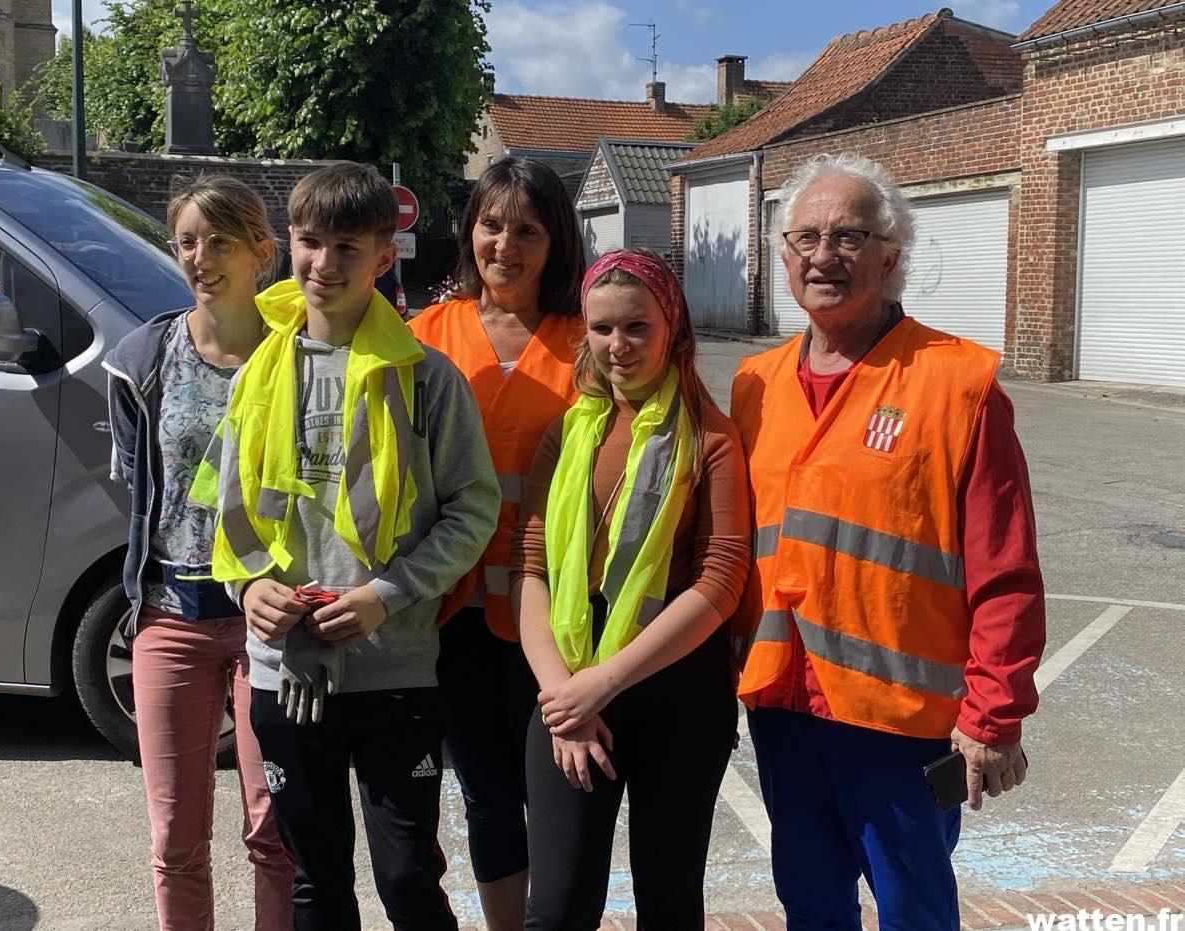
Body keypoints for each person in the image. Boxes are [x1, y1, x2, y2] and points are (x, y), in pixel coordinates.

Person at [730, 152, 1046, 930]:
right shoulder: (755, 385)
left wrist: (992, 716)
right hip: (783, 708)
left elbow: (1006, 570)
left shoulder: (958, 385)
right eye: (804, 238)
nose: (822, 256)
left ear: (891, 256)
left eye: (848, 236)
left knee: (916, 906)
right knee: (808, 899)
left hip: (911, 729)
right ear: (782, 257)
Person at [190, 161, 500, 930]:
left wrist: (382, 595)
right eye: (309, 242)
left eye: (347, 248)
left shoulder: (428, 378)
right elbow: (226, 514)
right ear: (288, 245)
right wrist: (249, 588)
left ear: (385, 257)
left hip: (396, 670)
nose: (324, 264)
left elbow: (472, 509)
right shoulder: (257, 376)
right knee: (316, 882)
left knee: (405, 878)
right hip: (285, 674)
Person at [512, 248, 752, 929]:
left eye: (637, 327)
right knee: (557, 908)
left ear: (672, 326)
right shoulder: (566, 433)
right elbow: (530, 565)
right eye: (602, 328)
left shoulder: (711, 439)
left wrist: (604, 684)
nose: (618, 346)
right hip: (568, 678)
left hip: (677, 688)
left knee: (669, 902)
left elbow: (721, 577)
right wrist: (565, 696)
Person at [103, 175, 293, 931]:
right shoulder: (141, 358)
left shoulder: (296, 359)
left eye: (220, 241)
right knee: (175, 838)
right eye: (187, 241)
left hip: (271, 626)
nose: (201, 257)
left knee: (274, 832)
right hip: (170, 615)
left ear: (261, 252)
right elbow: (142, 490)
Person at [408, 156, 584, 930]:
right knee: (484, 793)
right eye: (489, 223)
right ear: (467, 228)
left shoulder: (592, 339)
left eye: (526, 229)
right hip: (452, 613)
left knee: (556, 793)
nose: (503, 244)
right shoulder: (424, 335)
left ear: (556, 243)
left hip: (559, 614)